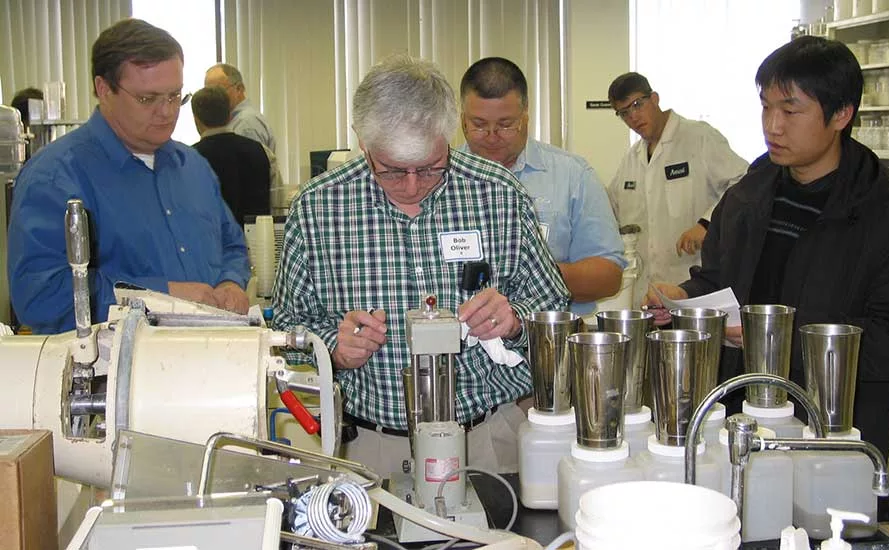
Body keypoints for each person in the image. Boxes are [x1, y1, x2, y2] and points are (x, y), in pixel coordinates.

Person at [271, 54, 569, 477]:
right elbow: (286, 329)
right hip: (374, 449)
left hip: (487, 440)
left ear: (449, 134)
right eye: (392, 171)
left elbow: (553, 308)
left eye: (430, 169)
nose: (413, 187)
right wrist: (332, 348)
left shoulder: (498, 193)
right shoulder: (319, 207)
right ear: (362, 142)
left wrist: (515, 321)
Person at [645, 36, 889, 459]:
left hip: (832, 435)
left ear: (841, 114)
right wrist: (683, 298)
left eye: (790, 110)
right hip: (739, 422)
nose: (772, 125)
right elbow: (718, 278)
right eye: (766, 106)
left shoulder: (882, 214)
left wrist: (774, 339)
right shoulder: (747, 196)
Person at [7, 19, 250, 335]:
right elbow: (41, 296)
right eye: (148, 99)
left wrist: (231, 282)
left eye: (176, 95)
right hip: (110, 376)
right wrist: (160, 296)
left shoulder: (193, 167)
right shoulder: (56, 177)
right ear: (104, 89)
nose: (167, 112)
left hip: (208, 360)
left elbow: (232, 245)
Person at [460, 57, 625, 316]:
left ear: (526, 119)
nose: (492, 137)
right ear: (463, 121)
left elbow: (608, 277)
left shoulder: (573, 175)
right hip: (467, 345)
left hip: (551, 341)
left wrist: (532, 275)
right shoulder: (437, 178)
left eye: (505, 125)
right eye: (479, 125)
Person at [606, 72, 748, 303]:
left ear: (654, 98)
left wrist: (707, 223)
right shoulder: (632, 158)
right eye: (624, 113)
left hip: (692, 287)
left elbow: (743, 182)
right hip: (646, 296)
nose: (633, 117)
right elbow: (609, 208)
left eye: (637, 105)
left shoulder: (699, 137)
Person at [191, 86, 282, 225]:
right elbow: (276, 201)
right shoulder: (261, 151)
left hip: (213, 241)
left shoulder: (189, 160)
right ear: (229, 115)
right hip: (257, 241)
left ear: (196, 119)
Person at [204, 63, 277, 154]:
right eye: (208, 92)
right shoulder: (233, 121)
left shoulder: (246, 124)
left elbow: (249, 166)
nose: (212, 97)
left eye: (218, 90)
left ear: (239, 89)